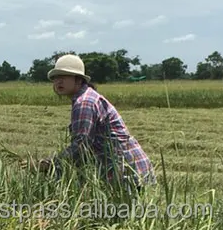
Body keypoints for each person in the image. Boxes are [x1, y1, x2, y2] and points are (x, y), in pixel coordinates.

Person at [37, 54, 156, 192]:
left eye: (64, 76)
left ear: (78, 79)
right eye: (56, 78)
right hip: (132, 169)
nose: (58, 81)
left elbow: (81, 145)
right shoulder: (87, 97)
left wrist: (50, 164)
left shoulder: (84, 102)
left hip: (127, 173)